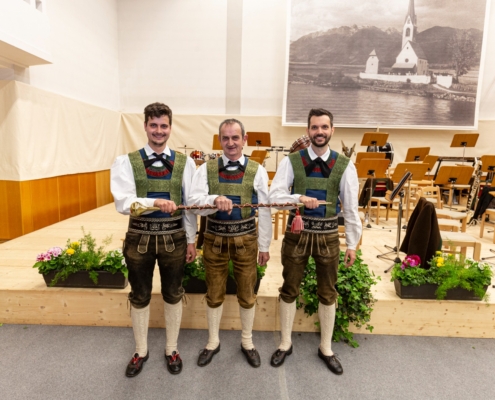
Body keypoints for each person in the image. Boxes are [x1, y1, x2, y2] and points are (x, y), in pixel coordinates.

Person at [268, 108, 361, 375]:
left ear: (332, 130)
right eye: (314, 127)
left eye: (324, 127)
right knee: (289, 288)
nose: (319, 132)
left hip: (328, 236)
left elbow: (351, 208)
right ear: (308, 130)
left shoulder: (344, 164)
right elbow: (274, 197)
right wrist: (297, 198)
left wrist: (352, 243)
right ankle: (285, 343)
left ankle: (326, 348)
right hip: (297, 234)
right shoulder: (291, 161)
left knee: (328, 292)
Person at [111, 102, 197, 377]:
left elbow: (189, 205)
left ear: (170, 127)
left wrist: (192, 240)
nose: (159, 131)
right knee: (139, 294)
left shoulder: (185, 163)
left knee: (173, 293)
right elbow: (124, 203)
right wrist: (155, 202)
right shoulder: (127, 161)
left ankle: (172, 348)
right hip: (139, 238)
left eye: (164, 126)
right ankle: (141, 350)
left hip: (175, 237)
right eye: (153, 125)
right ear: (145, 126)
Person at [188, 118, 272, 368]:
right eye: (225, 138)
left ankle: (247, 342)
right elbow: (193, 203)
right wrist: (214, 199)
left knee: (247, 292)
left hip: (246, 239)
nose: (230, 142)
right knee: (214, 292)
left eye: (235, 137)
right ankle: (212, 342)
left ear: (244, 140)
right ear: (220, 140)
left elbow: (265, 210)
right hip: (214, 239)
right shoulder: (206, 169)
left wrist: (265, 246)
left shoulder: (257, 170)